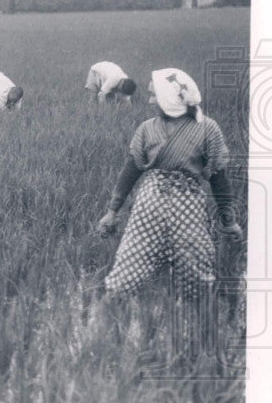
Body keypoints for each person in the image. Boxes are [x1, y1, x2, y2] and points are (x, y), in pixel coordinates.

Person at [97, 68, 242, 303]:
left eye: (155, 95)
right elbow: (130, 171)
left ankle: (195, 315)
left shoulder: (207, 129)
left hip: (185, 205)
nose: (151, 100)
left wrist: (229, 220)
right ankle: (111, 311)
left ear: (171, 99)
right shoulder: (147, 128)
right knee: (131, 263)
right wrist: (112, 212)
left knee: (195, 271)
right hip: (151, 205)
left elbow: (219, 178)